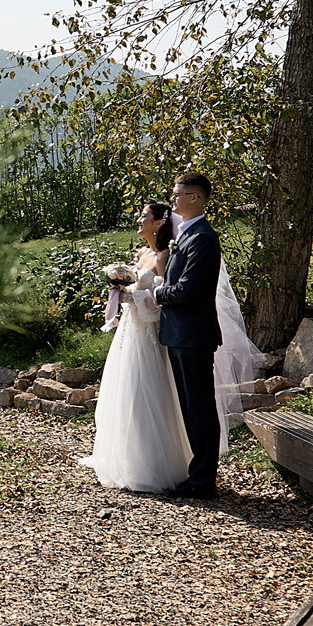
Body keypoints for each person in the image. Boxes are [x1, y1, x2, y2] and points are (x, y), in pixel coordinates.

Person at [79, 201, 195, 493]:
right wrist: (120, 286)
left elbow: (160, 301)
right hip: (129, 332)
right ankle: (125, 457)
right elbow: (139, 287)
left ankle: (153, 465)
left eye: (145, 216)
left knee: (147, 390)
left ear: (158, 223)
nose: (139, 219)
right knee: (125, 390)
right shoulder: (141, 253)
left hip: (148, 333)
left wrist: (131, 296)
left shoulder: (164, 256)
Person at [155, 171, 223, 498]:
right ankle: (198, 475)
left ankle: (203, 481)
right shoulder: (186, 236)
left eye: (177, 195)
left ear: (194, 198)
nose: (173, 200)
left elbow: (186, 290)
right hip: (179, 335)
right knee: (190, 408)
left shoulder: (204, 239)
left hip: (194, 336)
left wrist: (156, 294)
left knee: (200, 409)